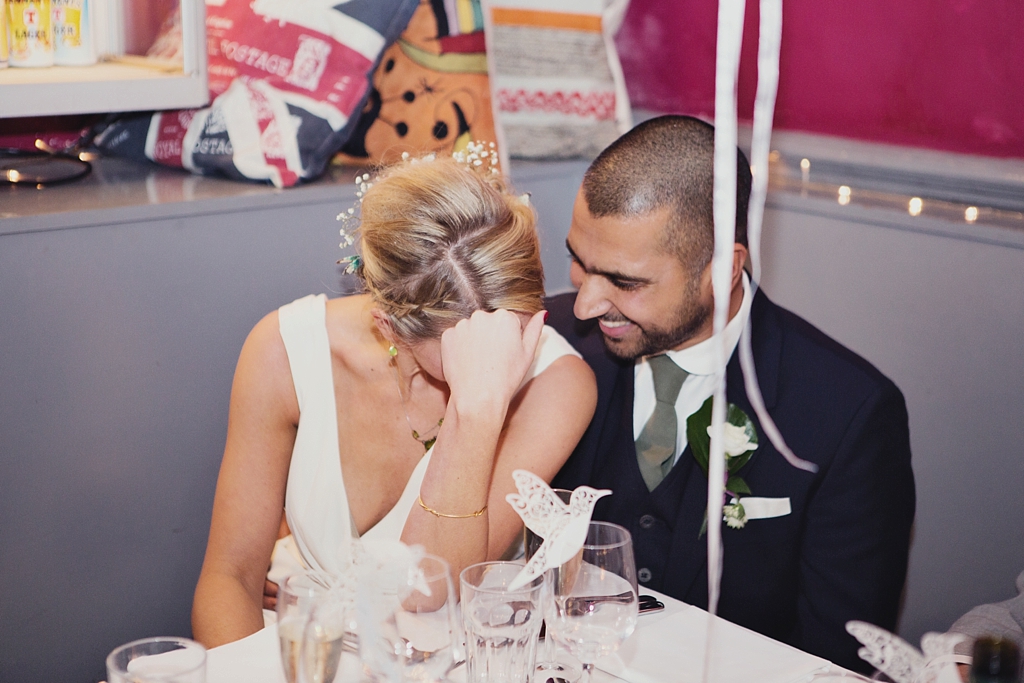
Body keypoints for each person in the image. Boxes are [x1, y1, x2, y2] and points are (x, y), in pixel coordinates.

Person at [547, 115, 915, 673]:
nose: (584, 305)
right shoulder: (547, 342)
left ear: (723, 270)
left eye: (624, 282)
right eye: (579, 261)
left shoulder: (848, 414)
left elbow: (838, 662)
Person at [192, 154, 597, 648]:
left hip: (445, 658)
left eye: (513, 333)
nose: (497, 361)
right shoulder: (282, 350)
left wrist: (476, 411)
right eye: (465, 353)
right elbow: (229, 578)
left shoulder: (557, 383)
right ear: (389, 327)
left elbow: (430, 590)